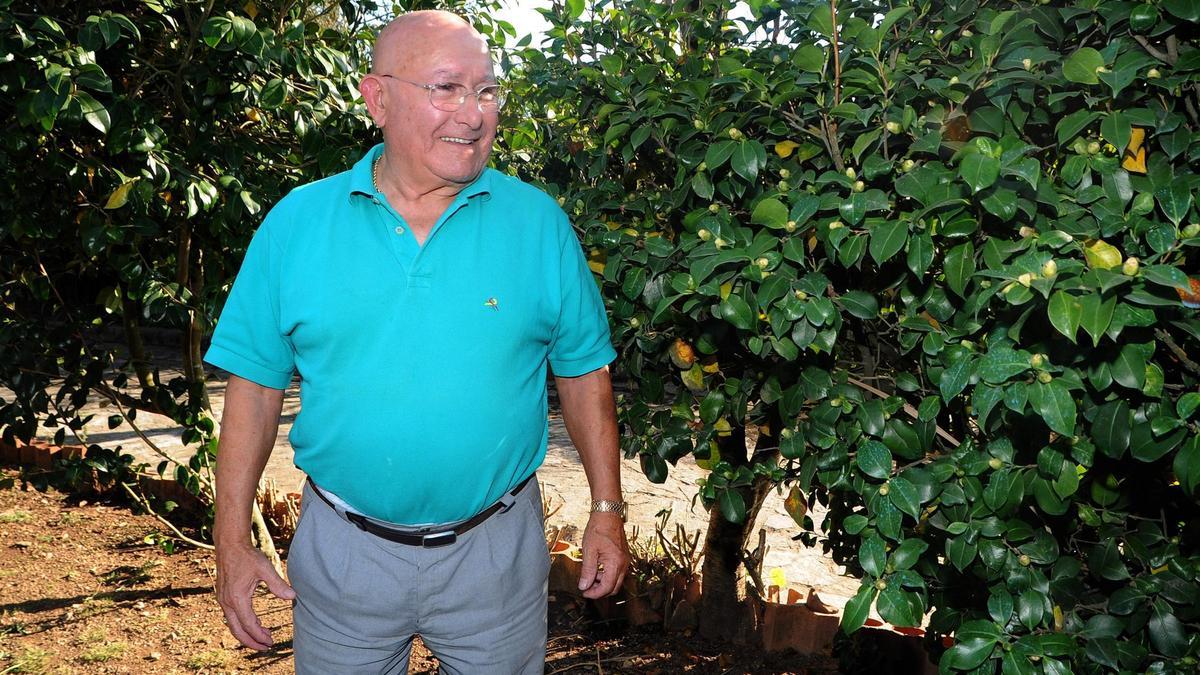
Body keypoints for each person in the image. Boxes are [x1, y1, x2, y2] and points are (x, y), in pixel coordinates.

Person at [205, 10, 629, 673]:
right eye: (447, 88)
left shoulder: (538, 224)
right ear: (377, 98)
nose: (474, 111)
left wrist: (607, 509)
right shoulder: (297, 223)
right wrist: (231, 537)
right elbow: (254, 387)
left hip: (496, 554)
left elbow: (583, 371)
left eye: (487, 91)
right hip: (345, 553)